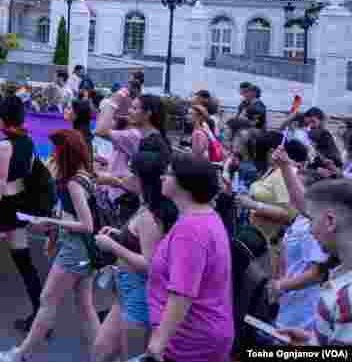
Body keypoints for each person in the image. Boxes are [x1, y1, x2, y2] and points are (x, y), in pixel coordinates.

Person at [0, 129, 100, 362]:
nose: (52, 154)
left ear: (64, 152)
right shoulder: (85, 176)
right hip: (85, 251)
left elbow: (86, 224)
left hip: (74, 249)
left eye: (56, 149)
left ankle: (21, 354)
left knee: (48, 300)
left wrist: (50, 221)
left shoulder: (73, 184)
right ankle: (101, 355)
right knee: (85, 306)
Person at [146, 154, 234, 362]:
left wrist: (160, 340)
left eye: (168, 173)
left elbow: (182, 292)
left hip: (190, 340)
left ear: (184, 183)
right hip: (201, 332)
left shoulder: (191, 229)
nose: (161, 177)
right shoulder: (205, 216)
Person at [91, 151, 176, 362]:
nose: (125, 176)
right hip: (126, 293)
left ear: (141, 179)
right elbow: (140, 241)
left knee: (130, 356)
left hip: (138, 295)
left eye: (131, 172)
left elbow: (150, 265)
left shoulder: (149, 216)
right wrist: (120, 235)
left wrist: (112, 246)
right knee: (100, 351)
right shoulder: (145, 207)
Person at [0, 93, 44, 333]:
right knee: (24, 262)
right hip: (19, 205)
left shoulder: (4, 145)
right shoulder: (27, 141)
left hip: (4, 207)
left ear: (3, 119)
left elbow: (0, 184)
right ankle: (41, 315)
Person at [278, 179, 352, 346]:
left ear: (330, 221)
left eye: (311, 220)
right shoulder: (340, 276)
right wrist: (311, 341)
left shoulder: (347, 296)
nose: (310, 229)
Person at [235, 130, 296, 269]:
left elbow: (289, 214)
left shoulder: (281, 174)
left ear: (271, 151)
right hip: (258, 239)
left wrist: (254, 205)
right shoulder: (271, 170)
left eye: (259, 149)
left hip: (270, 247)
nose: (256, 154)